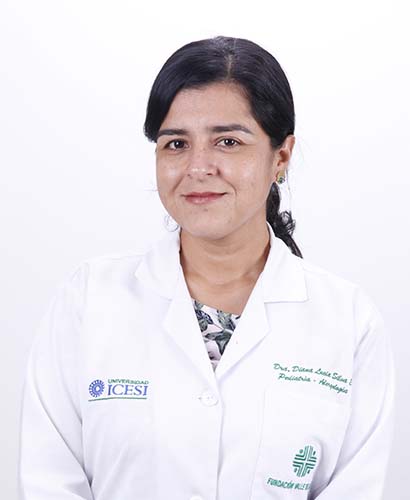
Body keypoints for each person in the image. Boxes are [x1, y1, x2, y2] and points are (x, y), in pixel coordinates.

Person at [18, 35, 395, 500]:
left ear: (280, 156)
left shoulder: (348, 321)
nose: (198, 167)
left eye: (228, 142)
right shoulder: (88, 300)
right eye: (176, 143)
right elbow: (49, 481)